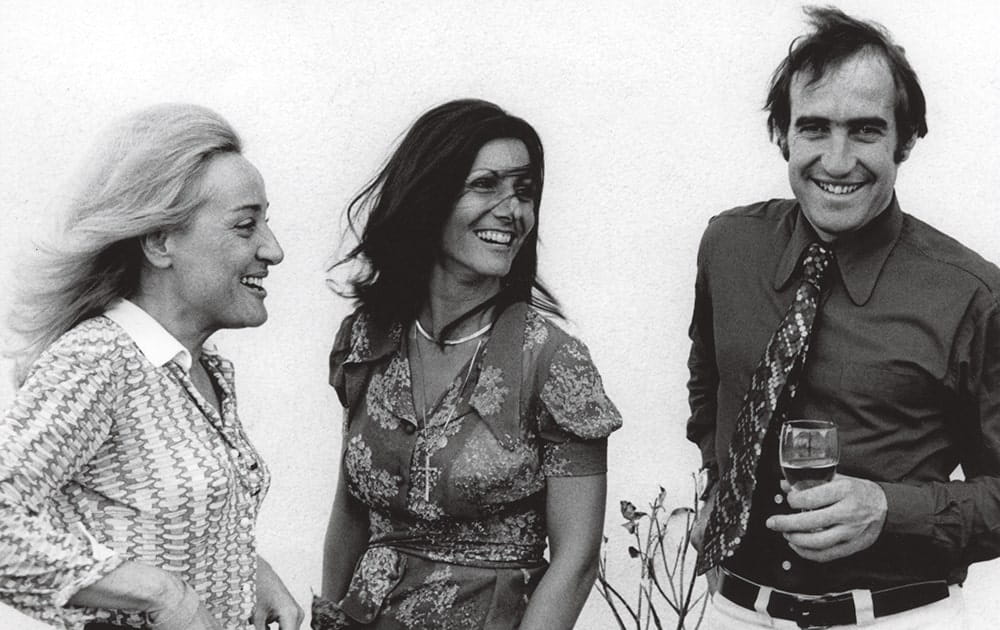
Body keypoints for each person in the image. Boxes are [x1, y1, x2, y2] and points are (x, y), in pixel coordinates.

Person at [687, 7, 1000, 629]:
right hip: (734, 612)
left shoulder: (973, 295)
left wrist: (890, 509)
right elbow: (709, 389)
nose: (836, 161)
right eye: (814, 129)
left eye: (864, 131)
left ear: (904, 141)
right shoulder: (728, 246)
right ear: (782, 134)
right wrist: (719, 481)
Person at [314, 98, 622, 630]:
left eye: (524, 191)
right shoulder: (366, 340)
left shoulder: (552, 361)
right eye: (485, 185)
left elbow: (576, 561)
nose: (512, 210)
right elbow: (351, 513)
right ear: (427, 197)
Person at [0, 104, 303, 630]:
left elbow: (150, 513)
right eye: (245, 226)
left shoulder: (197, 368)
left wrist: (247, 568)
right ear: (160, 242)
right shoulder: (98, 359)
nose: (272, 250)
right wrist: (162, 595)